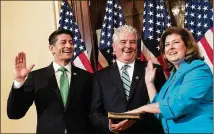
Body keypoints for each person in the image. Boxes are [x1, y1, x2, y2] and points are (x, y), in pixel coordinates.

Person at [126, 27, 213, 133]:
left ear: (187, 46)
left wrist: (141, 109)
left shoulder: (198, 68)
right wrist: (149, 83)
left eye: (175, 42)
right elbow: (161, 111)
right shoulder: (173, 77)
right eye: (167, 45)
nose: (170, 47)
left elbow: (177, 106)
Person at [7, 29, 95, 134]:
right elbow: (15, 113)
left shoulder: (87, 77)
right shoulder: (36, 77)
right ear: (52, 48)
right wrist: (19, 80)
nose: (69, 46)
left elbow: (94, 112)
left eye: (71, 42)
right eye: (63, 42)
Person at [89, 25, 166, 134]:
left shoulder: (153, 70)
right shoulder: (100, 77)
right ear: (114, 47)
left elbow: (163, 105)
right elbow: (95, 113)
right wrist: (110, 125)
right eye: (123, 42)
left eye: (133, 42)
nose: (128, 46)